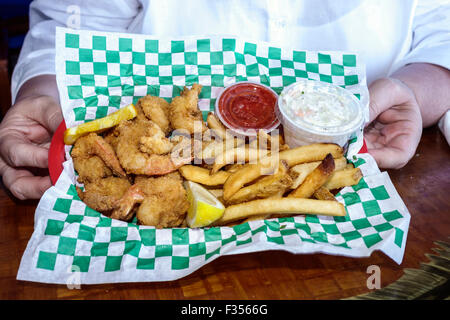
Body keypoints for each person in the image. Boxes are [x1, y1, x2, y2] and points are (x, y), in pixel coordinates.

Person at [0, 0, 449, 200]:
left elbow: (440, 26)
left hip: (387, 176)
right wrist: (42, 95)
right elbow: (70, 26)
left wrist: (416, 88)